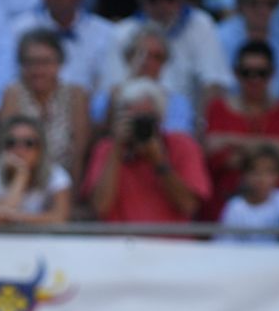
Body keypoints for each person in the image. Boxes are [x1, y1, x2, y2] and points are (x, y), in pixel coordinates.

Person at [83, 76, 210, 223]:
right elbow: (100, 207)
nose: (138, 126)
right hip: (119, 242)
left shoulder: (184, 146)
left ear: (160, 119)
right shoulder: (106, 148)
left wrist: (159, 161)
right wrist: (116, 149)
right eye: (132, 119)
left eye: (145, 119)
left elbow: (189, 206)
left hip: (171, 243)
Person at [202, 39, 279, 215]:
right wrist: (267, 152)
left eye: (262, 73)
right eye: (246, 72)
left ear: (273, 73)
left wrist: (227, 139)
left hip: (278, 212)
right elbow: (216, 156)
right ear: (235, 73)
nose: (254, 79)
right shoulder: (217, 108)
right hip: (223, 207)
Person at [0, 0, 118, 102]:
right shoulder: (19, 29)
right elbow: (10, 80)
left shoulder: (106, 32)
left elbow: (107, 87)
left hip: (89, 113)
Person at [0, 28, 91, 183]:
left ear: (59, 63)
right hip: (23, 182)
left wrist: (70, 197)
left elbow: (79, 154)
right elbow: (5, 149)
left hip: (64, 182)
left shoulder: (76, 95)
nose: (38, 70)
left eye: (45, 62)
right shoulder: (13, 94)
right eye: (30, 62)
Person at [0, 115, 72, 224]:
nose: (19, 149)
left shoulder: (57, 175)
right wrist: (21, 175)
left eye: (29, 143)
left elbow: (60, 217)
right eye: (11, 142)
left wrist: (14, 216)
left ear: (41, 149)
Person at [216, 142, 279, 239]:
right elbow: (226, 243)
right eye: (255, 172)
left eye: (269, 172)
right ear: (244, 175)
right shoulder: (235, 206)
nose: (262, 179)